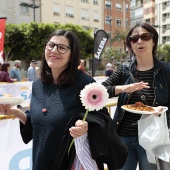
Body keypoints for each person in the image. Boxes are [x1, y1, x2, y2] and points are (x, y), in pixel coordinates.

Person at [0, 29, 128, 170]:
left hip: (70, 164)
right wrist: (16, 112)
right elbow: (40, 125)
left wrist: (86, 125)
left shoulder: (84, 83)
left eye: (62, 48)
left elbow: (103, 121)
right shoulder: (38, 84)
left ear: (72, 55)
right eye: (51, 45)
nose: (54, 50)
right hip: (41, 161)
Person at [102, 23, 170, 170]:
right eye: (134, 39)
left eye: (145, 37)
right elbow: (99, 91)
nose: (139, 41)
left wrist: (163, 110)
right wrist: (124, 88)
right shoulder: (124, 70)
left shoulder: (166, 70)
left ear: (153, 41)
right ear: (130, 45)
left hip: (153, 137)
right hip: (123, 137)